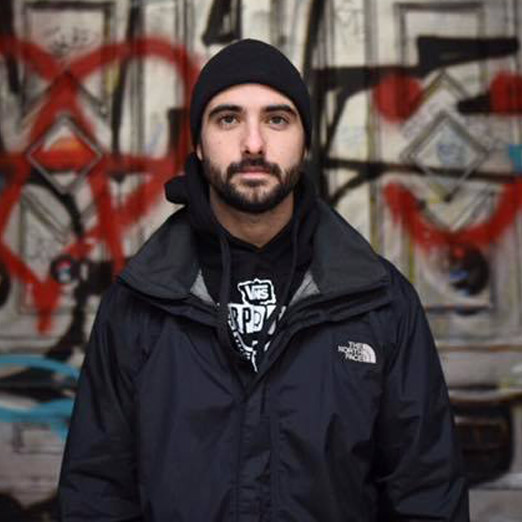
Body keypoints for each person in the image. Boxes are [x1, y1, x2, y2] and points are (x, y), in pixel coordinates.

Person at [58, 39, 469, 521]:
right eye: (228, 119)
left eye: (277, 119)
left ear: (305, 141)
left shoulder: (380, 303)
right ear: (198, 143)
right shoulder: (139, 304)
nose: (253, 144)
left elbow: (426, 494)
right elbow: (96, 495)